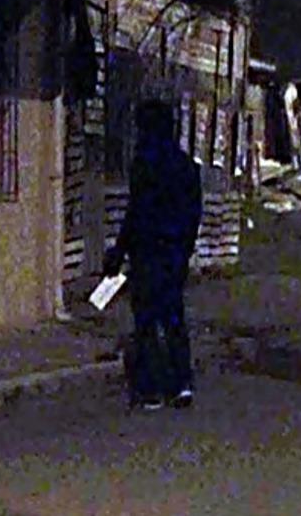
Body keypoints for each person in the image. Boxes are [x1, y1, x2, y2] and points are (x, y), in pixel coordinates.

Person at [104, 99, 203, 410]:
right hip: (174, 252)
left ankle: (150, 389)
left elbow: (136, 213)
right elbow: (194, 214)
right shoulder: (186, 166)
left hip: (147, 251)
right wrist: (185, 248)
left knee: (147, 320)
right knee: (173, 318)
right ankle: (181, 383)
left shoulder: (144, 164)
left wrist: (119, 252)